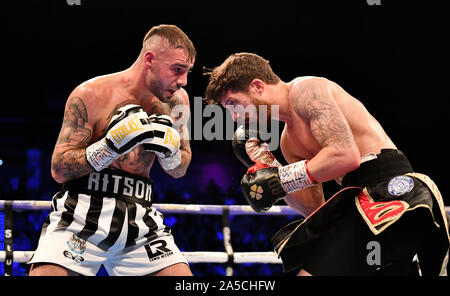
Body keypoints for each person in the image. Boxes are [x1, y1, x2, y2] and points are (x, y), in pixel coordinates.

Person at [204, 52, 449, 276]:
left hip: (389, 189)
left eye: (234, 104)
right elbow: (314, 207)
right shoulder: (288, 142)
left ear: (257, 86)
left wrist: (282, 178)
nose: (235, 117)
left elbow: (345, 156)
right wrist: (269, 169)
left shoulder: (306, 90)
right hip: (356, 200)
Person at [28, 24, 196, 276]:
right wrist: (108, 148)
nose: (182, 81)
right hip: (79, 216)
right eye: (177, 70)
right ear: (150, 59)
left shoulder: (177, 101)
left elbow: (180, 169)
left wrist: (171, 153)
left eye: (187, 72)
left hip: (140, 218)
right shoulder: (91, 94)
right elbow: (59, 170)